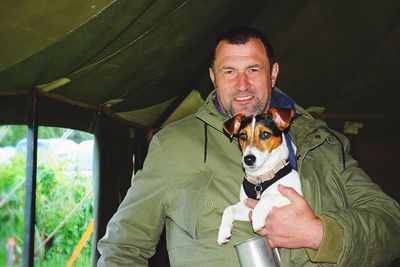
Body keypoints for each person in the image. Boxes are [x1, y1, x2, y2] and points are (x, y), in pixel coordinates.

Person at [97, 26, 400, 266]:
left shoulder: (321, 142)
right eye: (229, 71)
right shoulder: (174, 145)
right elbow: (123, 248)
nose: (242, 85)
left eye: (253, 70)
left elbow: (392, 226)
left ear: (274, 73)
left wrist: (319, 233)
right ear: (213, 77)